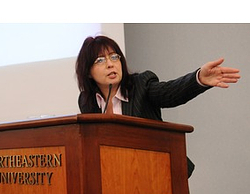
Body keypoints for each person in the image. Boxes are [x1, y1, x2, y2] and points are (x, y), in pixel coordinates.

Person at [75, 35, 241, 176]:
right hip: (118, 177)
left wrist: (198, 79)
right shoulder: (87, 101)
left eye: (114, 57)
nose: (110, 64)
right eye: (100, 60)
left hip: (159, 173)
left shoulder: (141, 85)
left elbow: (170, 92)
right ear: (88, 72)